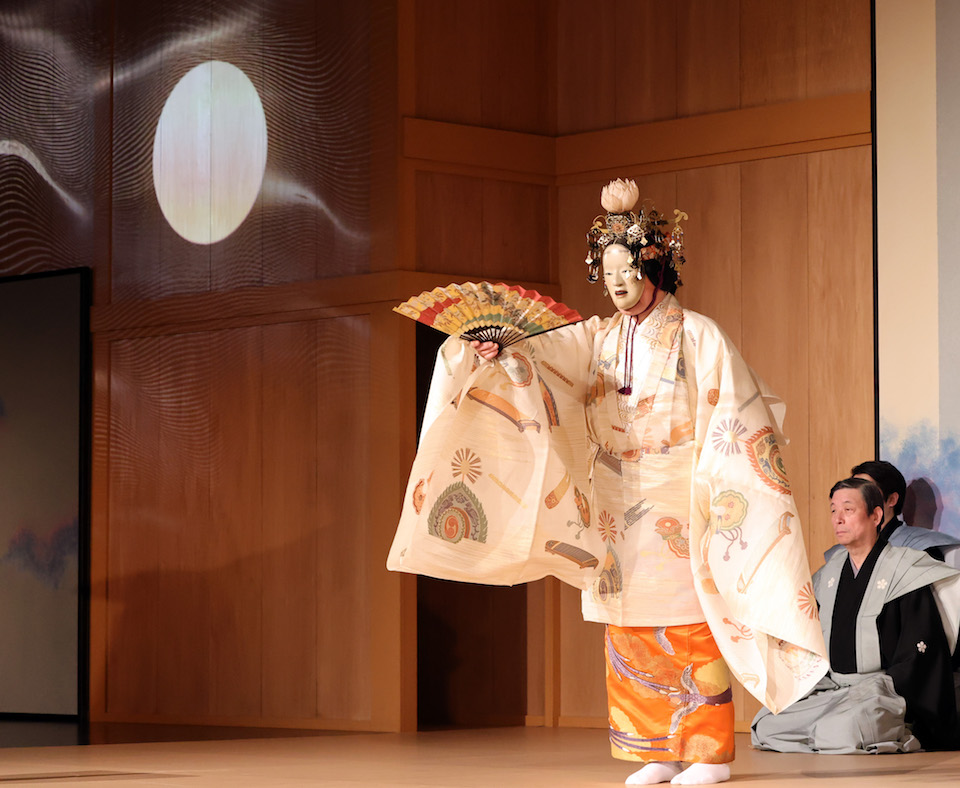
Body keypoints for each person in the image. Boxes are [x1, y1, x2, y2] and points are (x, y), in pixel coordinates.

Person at [389, 179, 827, 785]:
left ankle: (707, 751)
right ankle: (654, 748)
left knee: (691, 616)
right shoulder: (597, 337)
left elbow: (734, 415)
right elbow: (543, 359)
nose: (617, 283)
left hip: (682, 488)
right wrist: (501, 353)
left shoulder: (698, 335)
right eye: (608, 272)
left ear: (654, 265)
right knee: (628, 620)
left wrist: (719, 482)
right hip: (615, 498)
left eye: (627, 269)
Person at [752, 477, 960, 753]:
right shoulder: (829, 573)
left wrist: (885, 690)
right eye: (833, 510)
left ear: (876, 516)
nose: (838, 519)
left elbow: (920, 653)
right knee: (766, 724)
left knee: (845, 729)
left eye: (848, 510)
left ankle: (841, 732)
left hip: (881, 691)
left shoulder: (906, 570)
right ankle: (824, 734)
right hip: (832, 687)